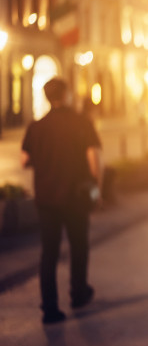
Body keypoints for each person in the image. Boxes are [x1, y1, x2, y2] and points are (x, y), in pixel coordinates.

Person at [21, 78, 102, 324]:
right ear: (66, 95)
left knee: (49, 253)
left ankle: (49, 307)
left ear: (47, 98)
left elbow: (24, 160)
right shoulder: (81, 122)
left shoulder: (37, 126)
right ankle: (78, 293)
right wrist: (96, 188)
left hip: (46, 199)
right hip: (75, 196)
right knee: (79, 246)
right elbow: (93, 157)